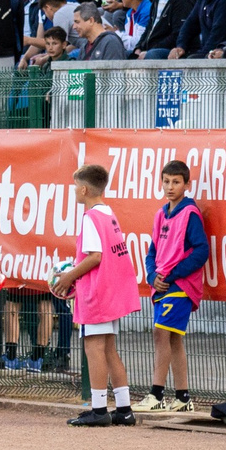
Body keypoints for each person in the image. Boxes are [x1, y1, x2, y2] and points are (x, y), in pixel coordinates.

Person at [49, 163, 137, 427]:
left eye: (76, 186)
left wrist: (69, 276)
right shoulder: (109, 213)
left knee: (94, 347)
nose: (74, 190)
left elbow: (95, 256)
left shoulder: (90, 218)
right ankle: (124, 408)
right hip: (112, 291)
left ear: (84, 189)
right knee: (109, 348)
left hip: (97, 292)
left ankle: (99, 409)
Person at [142, 158, 209, 413]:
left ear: (186, 184)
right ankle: (183, 398)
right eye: (166, 181)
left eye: (176, 182)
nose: (170, 186)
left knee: (160, 334)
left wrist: (171, 275)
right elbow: (152, 252)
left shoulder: (190, 214)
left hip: (180, 285)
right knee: (174, 339)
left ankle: (156, 395)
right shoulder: (161, 213)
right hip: (161, 285)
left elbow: (202, 250)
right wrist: (151, 276)